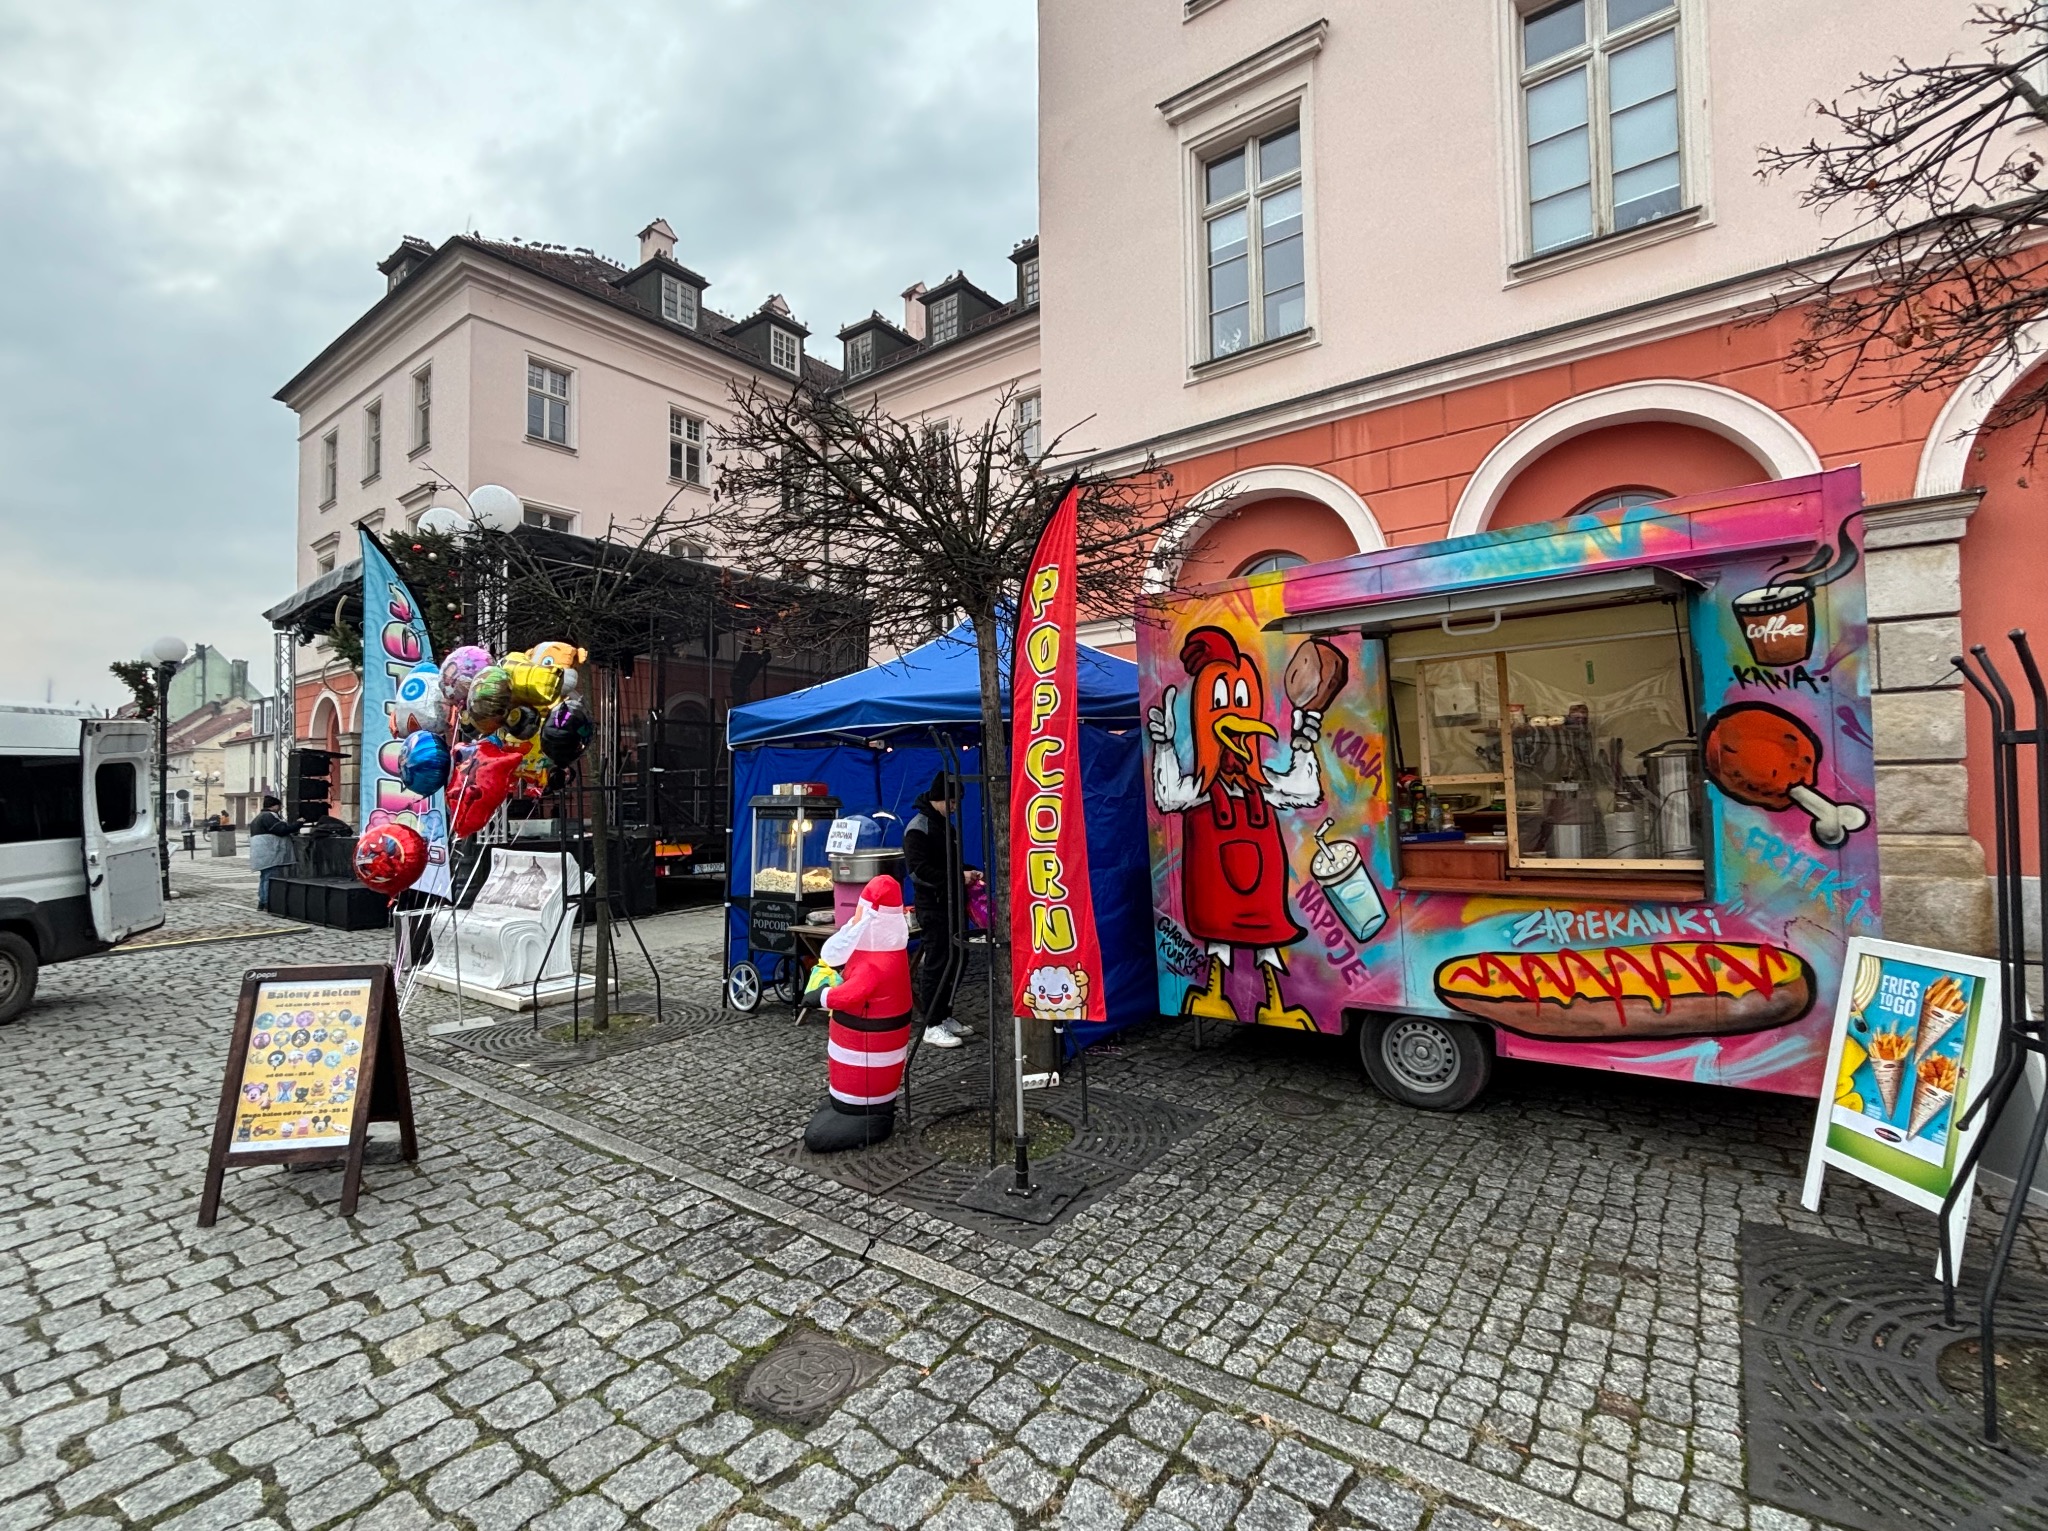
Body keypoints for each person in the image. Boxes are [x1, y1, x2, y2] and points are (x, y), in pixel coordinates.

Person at [901, 772, 982, 1050]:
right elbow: (919, 872)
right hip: (933, 906)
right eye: (953, 801)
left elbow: (949, 862)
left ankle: (944, 1014)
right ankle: (931, 1024)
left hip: (953, 902)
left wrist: (967, 871)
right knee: (938, 961)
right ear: (939, 798)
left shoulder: (945, 825)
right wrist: (959, 877)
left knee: (959, 957)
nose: (956, 807)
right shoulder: (918, 828)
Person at [248, 795, 300, 912]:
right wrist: (298, 824)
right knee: (270, 877)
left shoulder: (259, 817)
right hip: (270, 853)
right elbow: (281, 830)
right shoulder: (269, 816)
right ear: (274, 806)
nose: (280, 808)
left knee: (264, 877)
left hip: (262, 854)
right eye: (279, 806)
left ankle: (262, 902)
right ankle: (267, 902)